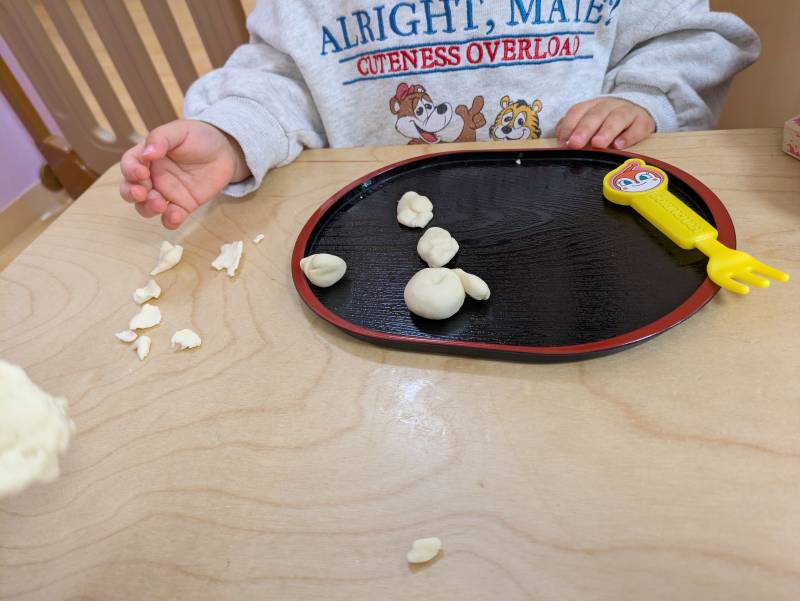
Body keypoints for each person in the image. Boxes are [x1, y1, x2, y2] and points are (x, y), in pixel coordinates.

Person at [119, 0, 760, 229]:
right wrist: (234, 135)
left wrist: (643, 97)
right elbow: (281, 81)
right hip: (379, 233)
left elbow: (692, 42)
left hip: (580, 221)